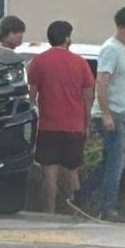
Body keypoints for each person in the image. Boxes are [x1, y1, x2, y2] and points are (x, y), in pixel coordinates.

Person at [73, 7, 125, 222]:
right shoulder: (111, 49)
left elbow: (122, 82)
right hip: (109, 114)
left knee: (109, 162)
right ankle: (108, 208)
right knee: (116, 162)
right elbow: (102, 82)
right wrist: (105, 114)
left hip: (120, 113)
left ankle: (81, 197)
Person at [28, 21, 95, 213]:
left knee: (50, 172)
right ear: (66, 38)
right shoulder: (80, 63)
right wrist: (86, 122)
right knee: (73, 171)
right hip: (74, 126)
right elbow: (88, 96)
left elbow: (32, 95)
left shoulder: (39, 61)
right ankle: (76, 210)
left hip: (48, 125)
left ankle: (49, 211)